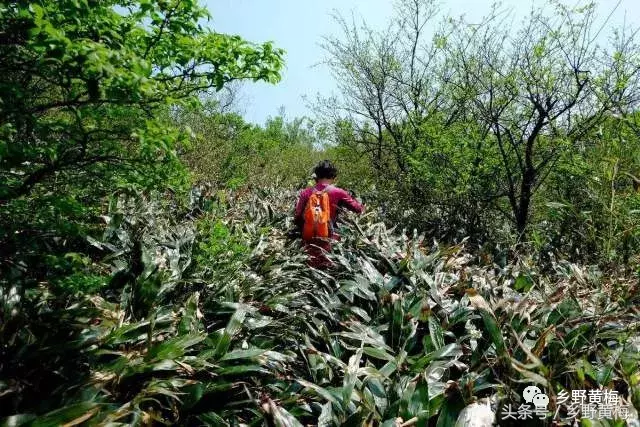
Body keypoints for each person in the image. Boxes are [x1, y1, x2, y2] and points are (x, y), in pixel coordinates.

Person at [294, 160, 364, 268]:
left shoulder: (306, 192)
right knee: (328, 269)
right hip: (329, 239)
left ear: (316, 176)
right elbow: (358, 209)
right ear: (334, 176)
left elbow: (297, 216)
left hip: (308, 240)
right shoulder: (339, 192)